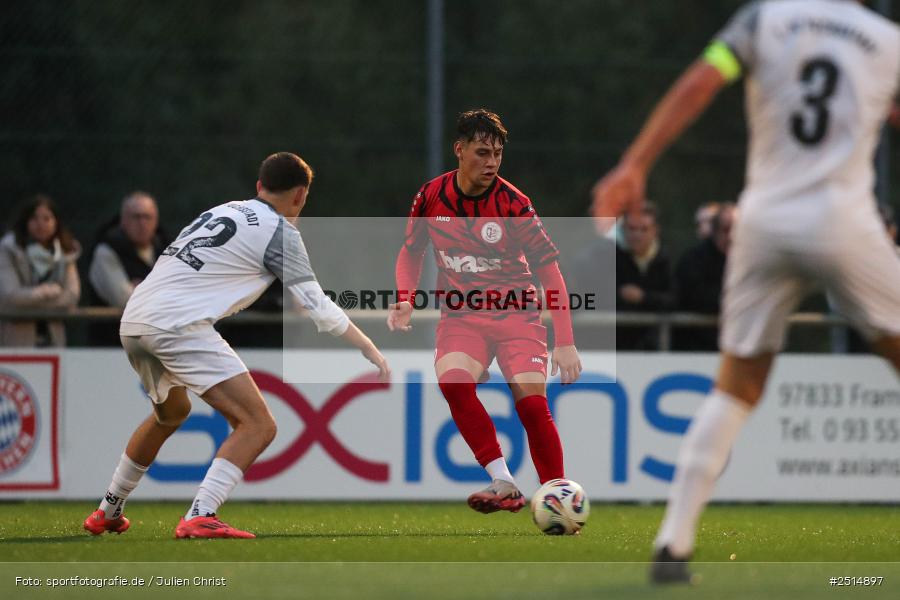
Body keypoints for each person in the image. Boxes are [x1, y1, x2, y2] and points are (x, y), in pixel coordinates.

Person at [592, 0, 900, 583]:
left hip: (765, 225)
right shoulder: (887, 40)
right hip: (845, 224)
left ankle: (673, 544)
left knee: (735, 385)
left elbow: (702, 81)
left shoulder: (766, 19)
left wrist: (634, 164)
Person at [83, 152, 390, 539]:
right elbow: (319, 307)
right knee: (258, 424)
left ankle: (108, 510)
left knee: (171, 413)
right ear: (300, 195)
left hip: (135, 319)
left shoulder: (222, 209)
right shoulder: (280, 231)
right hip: (178, 325)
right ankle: (201, 513)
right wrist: (368, 346)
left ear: (259, 186)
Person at [387, 109, 582, 513]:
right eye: (482, 152)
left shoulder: (514, 204)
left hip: (517, 317)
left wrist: (565, 342)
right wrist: (405, 297)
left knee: (532, 405)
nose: (492, 162)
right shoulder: (431, 196)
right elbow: (411, 251)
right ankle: (503, 482)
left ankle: (558, 499)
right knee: (454, 385)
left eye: (497, 154)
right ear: (459, 150)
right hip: (462, 317)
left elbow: (551, 273)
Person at [88, 191, 168, 346]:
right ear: (123, 220)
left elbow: (182, 295)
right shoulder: (106, 250)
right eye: (136, 217)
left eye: (147, 217)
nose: (142, 223)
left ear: (156, 221)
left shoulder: (167, 249)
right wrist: (160, 290)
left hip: (157, 345)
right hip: (111, 346)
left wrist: (141, 288)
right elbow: (124, 300)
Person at [0, 195, 81, 347]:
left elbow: (71, 296)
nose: (41, 224)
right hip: (17, 342)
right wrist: (46, 291)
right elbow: (11, 296)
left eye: (47, 218)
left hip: (53, 340)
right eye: (34, 218)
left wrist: (29, 301)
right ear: (25, 221)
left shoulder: (66, 250)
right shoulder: (8, 250)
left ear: (56, 222)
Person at [673, 202, 736, 351]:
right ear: (715, 231)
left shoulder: (747, 261)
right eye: (726, 230)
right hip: (695, 347)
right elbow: (696, 297)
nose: (732, 236)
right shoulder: (693, 259)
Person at [615, 202, 675, 349]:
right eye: (632, 229)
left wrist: (644, 297)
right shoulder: (608, 258)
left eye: (644, 229)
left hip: (655, 347)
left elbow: (675, 299)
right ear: (623, 229)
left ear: (655, 231)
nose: (637, 235)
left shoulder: (667, 260)